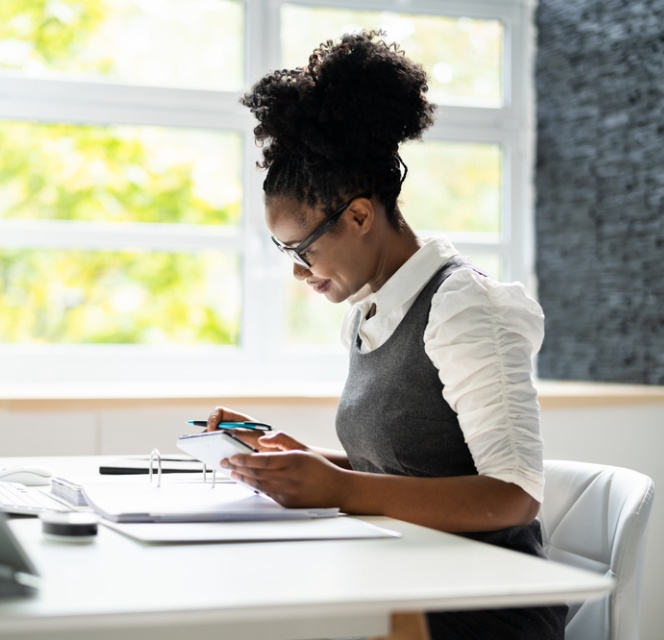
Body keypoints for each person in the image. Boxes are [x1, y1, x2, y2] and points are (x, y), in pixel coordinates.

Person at [205, 31, 568, 640]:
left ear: (358, 216)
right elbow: (411, 470)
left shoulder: (464, 307)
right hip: (401, 578)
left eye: (302, 248)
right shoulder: (371, 309)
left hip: (482, 609)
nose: (298, 271)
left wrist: (340, 487)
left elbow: (512, 496)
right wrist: (303, 462)